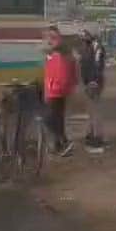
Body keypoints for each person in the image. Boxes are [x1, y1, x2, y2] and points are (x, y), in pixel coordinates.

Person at [43, 26, 75, 156]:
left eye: (53, 37)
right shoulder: (54, 53)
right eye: (48, 37)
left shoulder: (59, 54)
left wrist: (55, 88)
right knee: (57, 118)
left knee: (51, 118)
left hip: (56, 91)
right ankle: (59, 144)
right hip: (56, 90)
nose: (50, 40)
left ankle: (62, 143)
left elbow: (62, 73)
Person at [78, 31, 107, 154]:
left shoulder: (94, 49)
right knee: (93, 109)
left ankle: (95, 137)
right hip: (92, 81)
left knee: (94, 110)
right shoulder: (93, 48)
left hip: (92, 81)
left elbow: (96, 65)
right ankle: (92, 135)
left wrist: (93, 81)